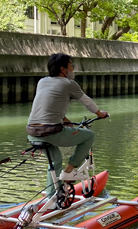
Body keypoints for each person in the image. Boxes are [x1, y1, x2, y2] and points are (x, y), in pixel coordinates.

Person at [26, 53, 108, 194]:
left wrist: (64, 119)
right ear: (63, 69)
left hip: (32, 132)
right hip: (51, 132)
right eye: (71, 66)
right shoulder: (68, 83)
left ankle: (52, 198)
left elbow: (48, 103)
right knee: (89, 136)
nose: (73, 69)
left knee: (55, 161)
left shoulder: (42, 81)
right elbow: (86, 101)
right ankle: (69, 171)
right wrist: (100, 114)